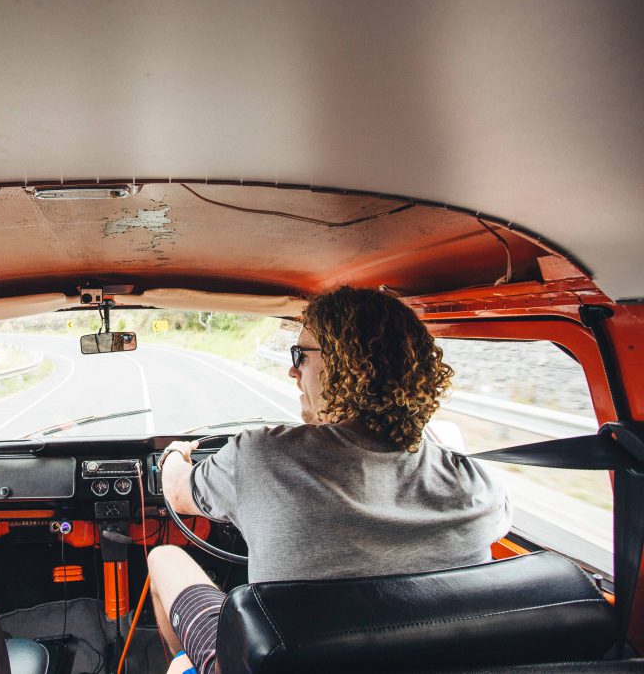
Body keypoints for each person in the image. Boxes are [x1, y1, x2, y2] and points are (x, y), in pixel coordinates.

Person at [148, 286, 511, 674]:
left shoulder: (261, 455)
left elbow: (177, 493)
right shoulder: (475, 485)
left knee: (164, 558)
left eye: (300, 355)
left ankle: (188, 664)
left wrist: (174, 454)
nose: (292, 370)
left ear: (346, 365)